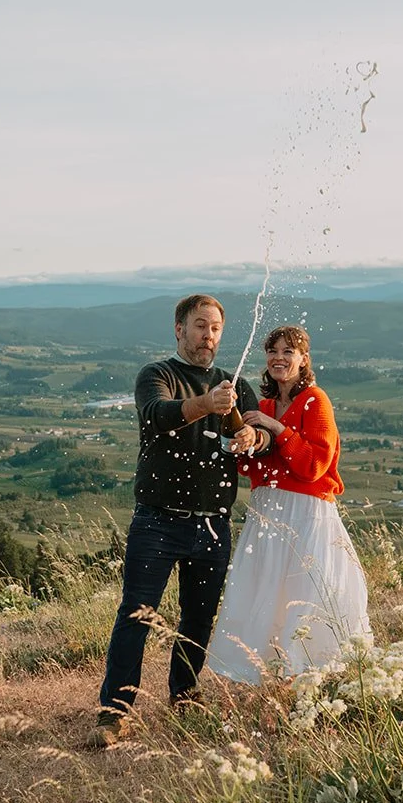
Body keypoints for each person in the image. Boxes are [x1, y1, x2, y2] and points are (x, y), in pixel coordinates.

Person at [96, 294, 268, 740]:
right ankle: (114, 712)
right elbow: (159, 416)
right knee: (137, 615)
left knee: (198, 618)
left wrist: (253, 438)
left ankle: (185, 696)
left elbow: (257, 431)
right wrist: (207, 403)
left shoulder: (235, 384)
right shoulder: (158, 375)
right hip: (158, 520)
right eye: (199, 326)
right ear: (179, 329)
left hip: (213, 522)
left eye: (215, 328)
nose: (208, 335)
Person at [207, 324, 371, 683]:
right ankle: (264, 673)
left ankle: (310, 673)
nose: (278, 358)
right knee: (264, 591)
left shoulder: (315, 401)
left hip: (305, 512)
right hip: (267, 509)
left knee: (304, 593)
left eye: (288, 351)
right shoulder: (263, 405)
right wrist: (240, 441)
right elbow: (252, 467)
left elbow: (313, 466)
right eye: (273, 351)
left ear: (303, 358)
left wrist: (277, 429)